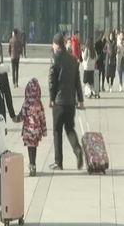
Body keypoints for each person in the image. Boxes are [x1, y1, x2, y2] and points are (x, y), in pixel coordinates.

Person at [48, 33, 84, 171]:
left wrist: (52, 99)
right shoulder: (73, 59)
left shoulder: (55, 59)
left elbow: (52, 81)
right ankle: (77, 149)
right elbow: (77, 82)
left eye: (53, 44)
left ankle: (58, 162)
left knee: (57, 131)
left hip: (59, 102)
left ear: (56, 45)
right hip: (70, 101)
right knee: (69, 128)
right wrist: (80, 100)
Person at [12, 78, 47, 177]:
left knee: (30, 148)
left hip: (28, 131)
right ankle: (33, 164)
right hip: (36, 131)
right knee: (34, 147)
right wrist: (44, 131)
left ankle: (31, 165)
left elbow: (22, 116)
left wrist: (14, 118)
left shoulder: (26, 103)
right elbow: (42, 118)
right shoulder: (39, 103)